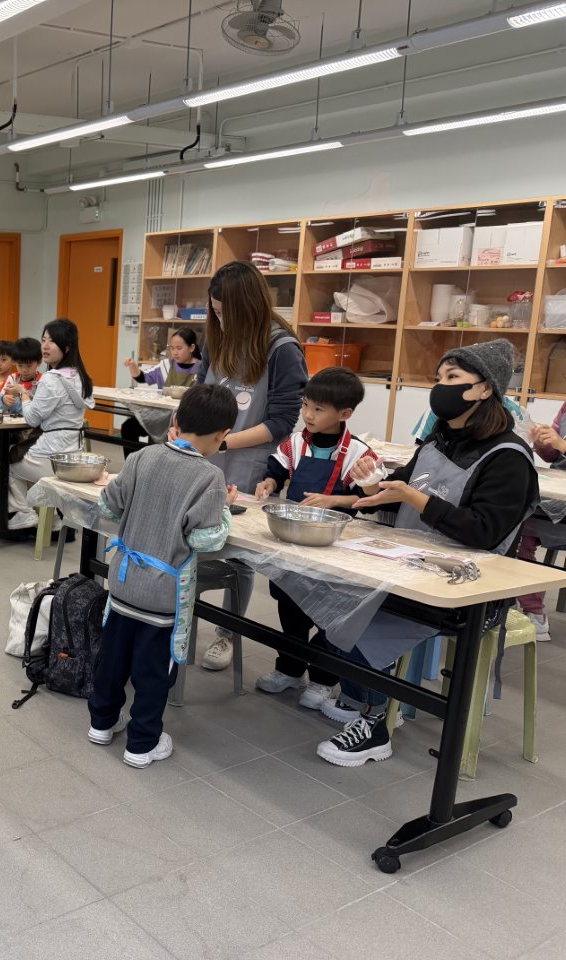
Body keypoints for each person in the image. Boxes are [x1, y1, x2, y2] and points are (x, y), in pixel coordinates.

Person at [314, 340, 538, 767]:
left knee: (358, 618)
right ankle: (364, 696)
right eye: (438, 378)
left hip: (466, 590)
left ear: (485, 389)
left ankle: (375, 724)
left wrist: (414, 498)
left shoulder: (508, 457)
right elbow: (398, 490)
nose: (440, 387)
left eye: (453, 378)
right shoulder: (438, 442)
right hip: (410, 567)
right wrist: (370, 485)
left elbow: (483, 531)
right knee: (333, 596)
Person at [88, 384, 238, 767]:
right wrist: (224, 509)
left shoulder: (142, 456)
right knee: (153, 672)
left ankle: (101, 723)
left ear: (176, 419)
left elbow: (109, 506)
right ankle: (141, 744)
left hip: (123, 583)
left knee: (113, 659)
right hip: (163, 594)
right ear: (222, 435)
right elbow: (205, 539)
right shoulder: (209, 477)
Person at [196, 261, 307, 671]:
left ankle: (227, 632)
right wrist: (186, 427)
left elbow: (281, 421)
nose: (222, 321)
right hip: (207, 454)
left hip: (248, 460)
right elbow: (200, 393)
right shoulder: (217, 339)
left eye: (227, 313)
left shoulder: (282, 349)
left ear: (250, 308)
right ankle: (180, 614)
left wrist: (222, 442)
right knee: (194, 533)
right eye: (216, 312)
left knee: (238, 552)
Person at [251, 367, 379, 708]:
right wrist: (269, 484)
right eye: (306, 405)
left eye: (318, 409)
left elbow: (369, 498)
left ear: (345, 414)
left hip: (335, 545)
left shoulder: (359, 454)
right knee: (290, 608)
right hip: (294, 540)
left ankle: (323, 679)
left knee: (328, 616)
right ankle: (290, 669)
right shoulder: (295, 443)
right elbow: (276, 472)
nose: (308, 414)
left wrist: (334, 501)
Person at [7, 319, 95, 530]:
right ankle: (52, 519)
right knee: (26, 458)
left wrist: (23, 394)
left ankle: (23, 513)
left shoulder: (51, 379)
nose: (45, 346)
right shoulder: (80, 376)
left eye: (52, 341)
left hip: (50, 456)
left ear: (67, 347)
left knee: (10, 462)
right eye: (43, 340)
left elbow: (32, 419)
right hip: (73, 454)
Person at [520, 404, 566, 641]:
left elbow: (562, 448)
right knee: (517, 532)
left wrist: (563, 445)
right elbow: (554, 456)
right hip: (557, 495)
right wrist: (542, 442)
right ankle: (534, 612)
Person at [121, 327, 202, 443]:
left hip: (187, 421)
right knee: (128, 428)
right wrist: (132, 365)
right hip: (160, 417)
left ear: (192, 348)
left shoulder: (202, 369)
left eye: (179, 348)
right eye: (172, 348)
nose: (175, 352)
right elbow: (142, 377)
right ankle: (137, 455)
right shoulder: (165, 365)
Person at [0, 337, 43, 415]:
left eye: (29, 366)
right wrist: (3, 400)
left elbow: (41, 409)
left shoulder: (42, 380)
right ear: (14, 362)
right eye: (20, 365)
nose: (24, 370)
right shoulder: (12, 379)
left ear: (39, 362)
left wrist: (23, 392)